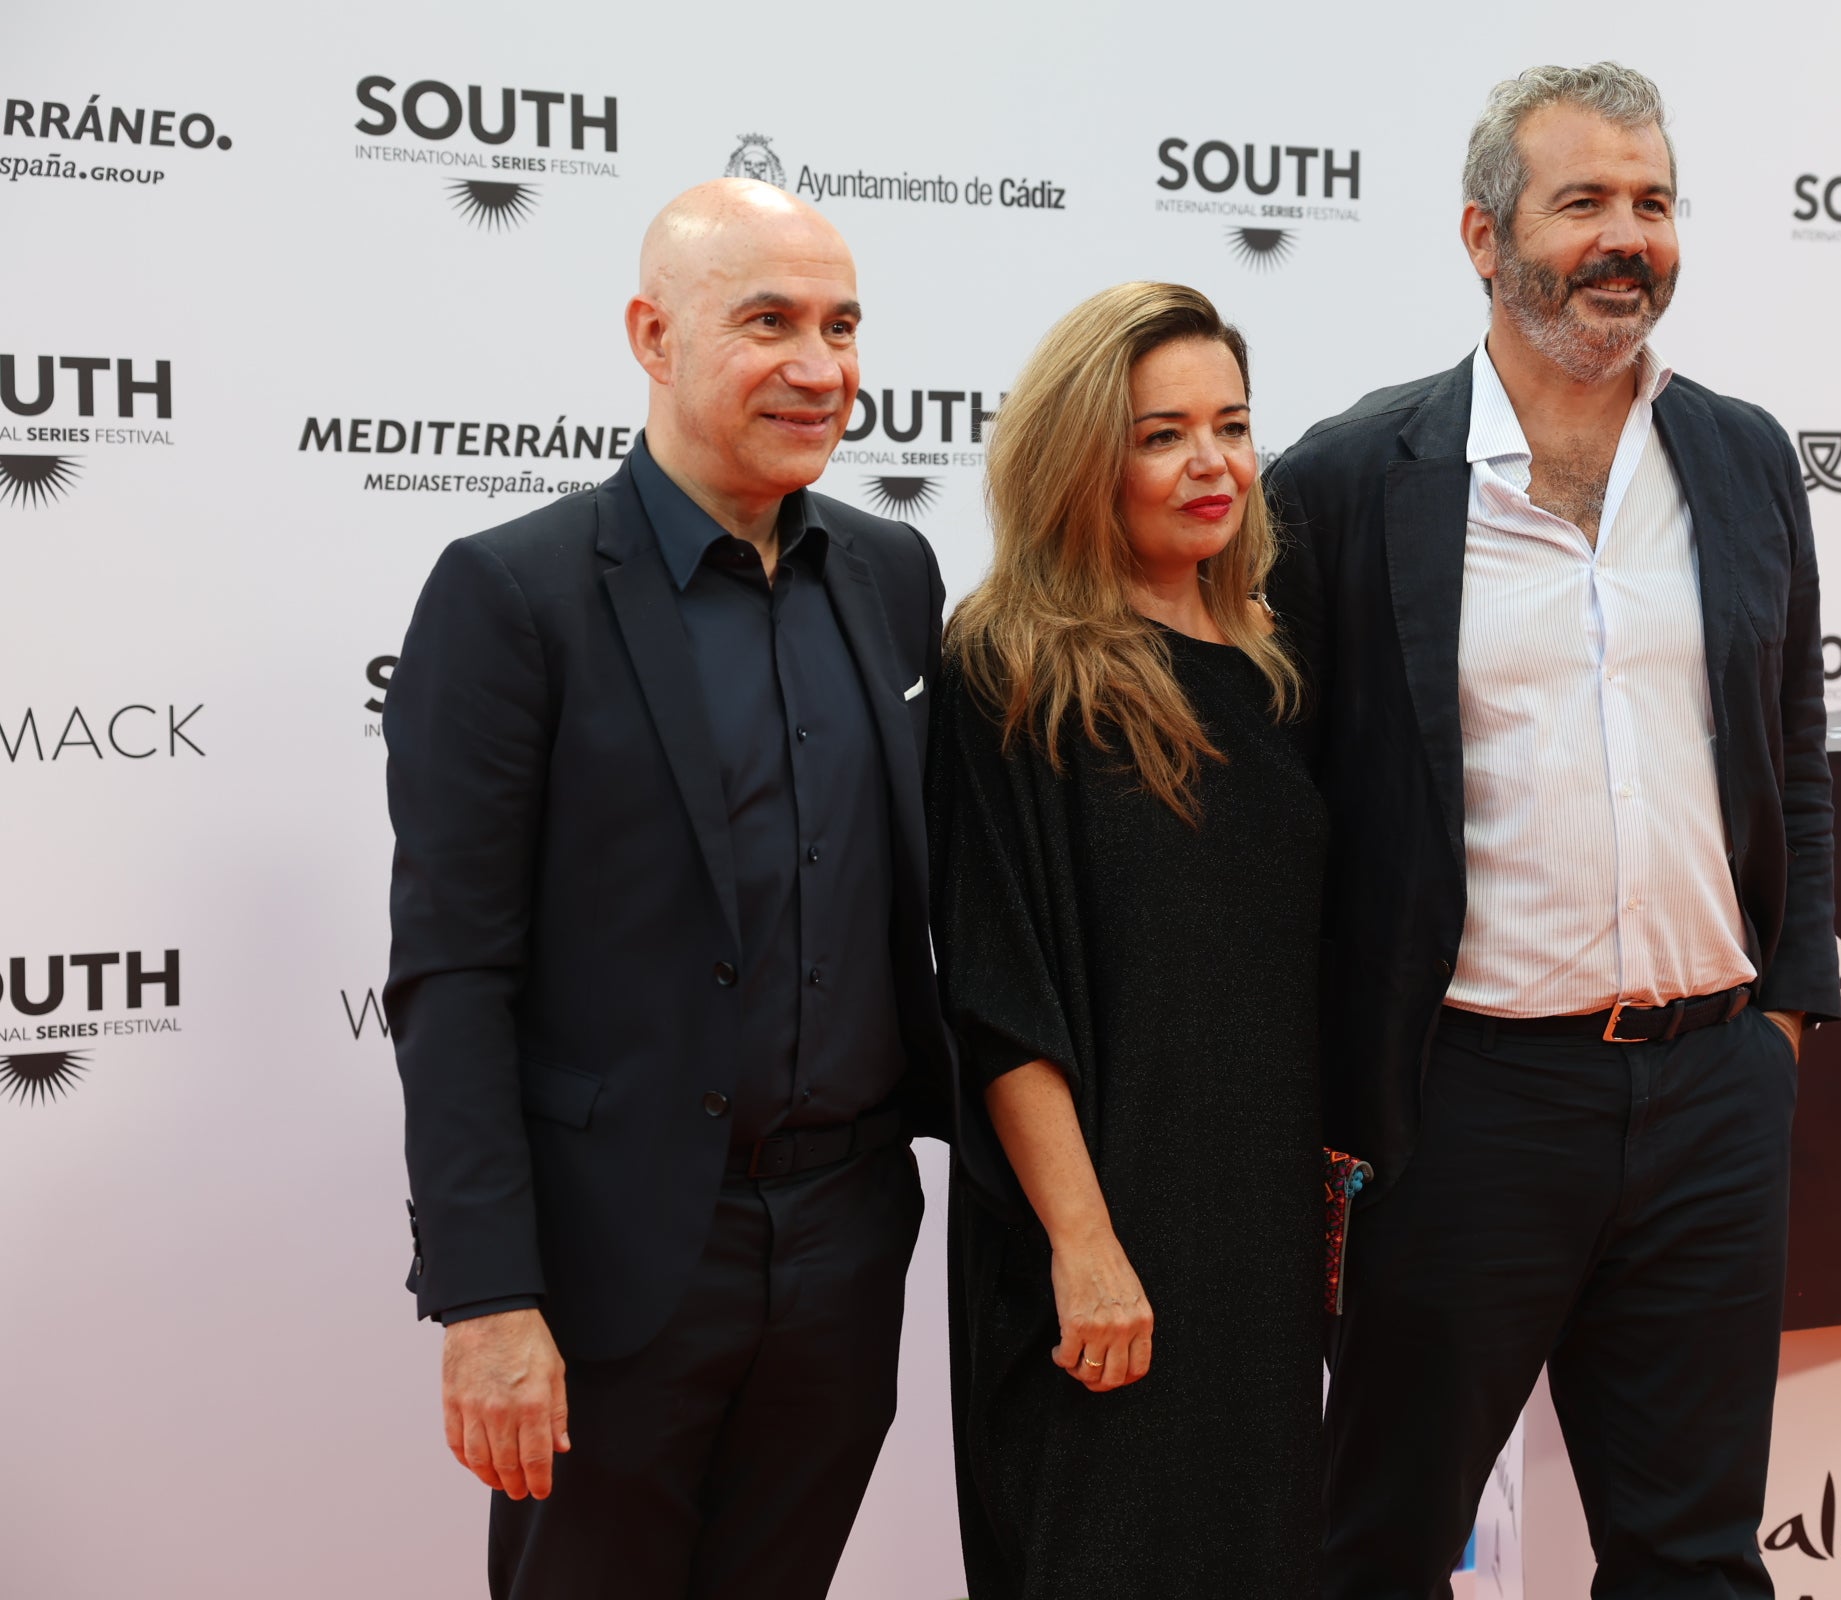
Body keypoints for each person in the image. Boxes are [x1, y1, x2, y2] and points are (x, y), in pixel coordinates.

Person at [1265, 64, 1841, 1598]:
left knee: (1696, 1557)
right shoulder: (1346, 483)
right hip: (1466, 1109)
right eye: (1582, 200)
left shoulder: (1742, 455)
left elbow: (1794, 745)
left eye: (1652, 202)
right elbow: (1287, 818)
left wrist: (1778, 1020)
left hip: (1715, 1094)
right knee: (1378, 1544)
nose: (1625, 238)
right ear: (1483, 234)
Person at [382, 178, 950, 1599]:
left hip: (846, 1239)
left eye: (841, 324)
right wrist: (489, 1297)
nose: (820, 368)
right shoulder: (514, 594)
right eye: (769, 322)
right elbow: (452, 971)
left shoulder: (891, 571)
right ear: (653, 334)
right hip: (620, 1260)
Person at [931, 282, 1324, 1599]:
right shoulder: (1012, 665)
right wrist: (1084, 1250)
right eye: (1161, 434)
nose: (1210, 463)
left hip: (1260, 1244)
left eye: (1231, 424)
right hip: (1094, 1240)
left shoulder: (1279, 663)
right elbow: (999, 994)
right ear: (1082, 457)